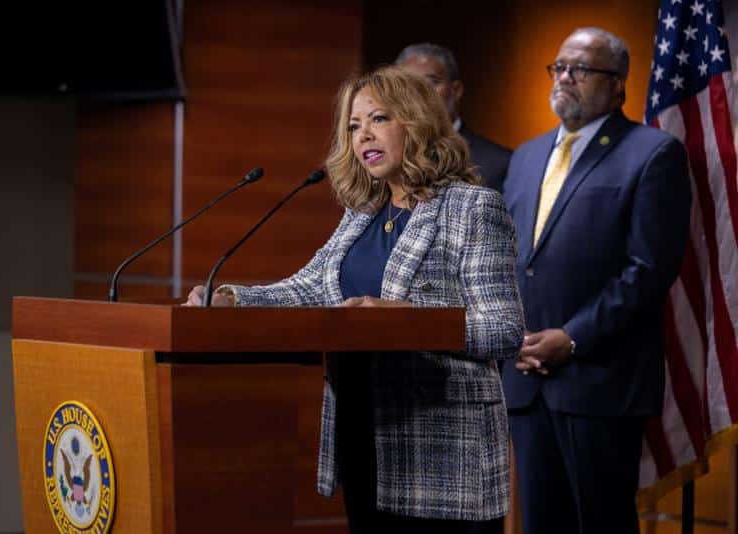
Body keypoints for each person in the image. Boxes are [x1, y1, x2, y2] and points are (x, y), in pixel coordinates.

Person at [186, 66, 524, 533]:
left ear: (418, 122)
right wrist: (231, 299)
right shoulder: (361, 214)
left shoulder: (471, 207)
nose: (362, 134)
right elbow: (308, 289)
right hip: (365, 431)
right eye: (352, 125)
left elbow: (503, 329)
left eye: (379, 119)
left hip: (442, 451)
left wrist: (406, 320)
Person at [501, 27, 691, 534]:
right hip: (525, 379)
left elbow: (649, 269)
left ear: (617, 87)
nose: (565, 77)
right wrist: (509, 336)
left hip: (599, 383)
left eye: (581, 69)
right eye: (559, 66)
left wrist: (572, 337)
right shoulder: (525, 156)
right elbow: (510, 260)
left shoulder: (652, 154)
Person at [396, 43, 512, 192]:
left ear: (456, 90)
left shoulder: (498, 163)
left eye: (431, 82)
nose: (420, 93)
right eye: (409, 84)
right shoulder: (388, 158)